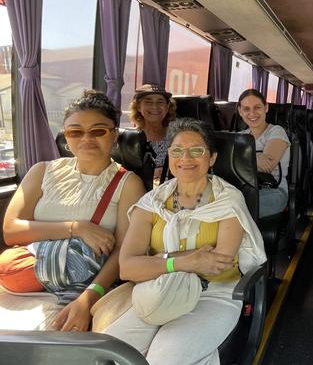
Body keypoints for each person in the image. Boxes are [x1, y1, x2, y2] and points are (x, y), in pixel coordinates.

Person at [103, 118, 265, 365]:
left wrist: (153, 261)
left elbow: (216, 265)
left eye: (196, 151)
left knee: (165, 359)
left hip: (212, 294)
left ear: (211, 158)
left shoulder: (228, 201)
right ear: (169, 155)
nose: (185, 158)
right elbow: (127, 268)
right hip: (157, 290)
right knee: (109, 356)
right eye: (177, 150)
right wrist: (184, 261)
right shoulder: (152, 202)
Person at [0, 90, 145, 331]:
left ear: (114, 135)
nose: (86, 139)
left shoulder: (128, 183)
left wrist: (89, 298)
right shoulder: (41, 171)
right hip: (28, 280)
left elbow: (123, 250)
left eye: (98, 131)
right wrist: (76, 228)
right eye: (75, 132)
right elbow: (12, 231)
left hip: (85, 287)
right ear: (66, 136)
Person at [237, 89, 290, 218]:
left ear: (266, 107)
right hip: (241, 188)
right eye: (246, 109)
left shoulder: (276, 131)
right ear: (240, 111)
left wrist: (238, 157)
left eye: (257, 107)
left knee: (235, 210)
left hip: (273, 190)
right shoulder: (239, 137)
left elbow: (267, 166)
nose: (252, 113)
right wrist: (255, 157)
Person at [129, 84, 176, 181]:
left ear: (167, 107)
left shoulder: (177, 136)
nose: (154, 107)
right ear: (138, 107)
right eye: (148, 102)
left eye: (160, 102)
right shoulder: (130, 138)